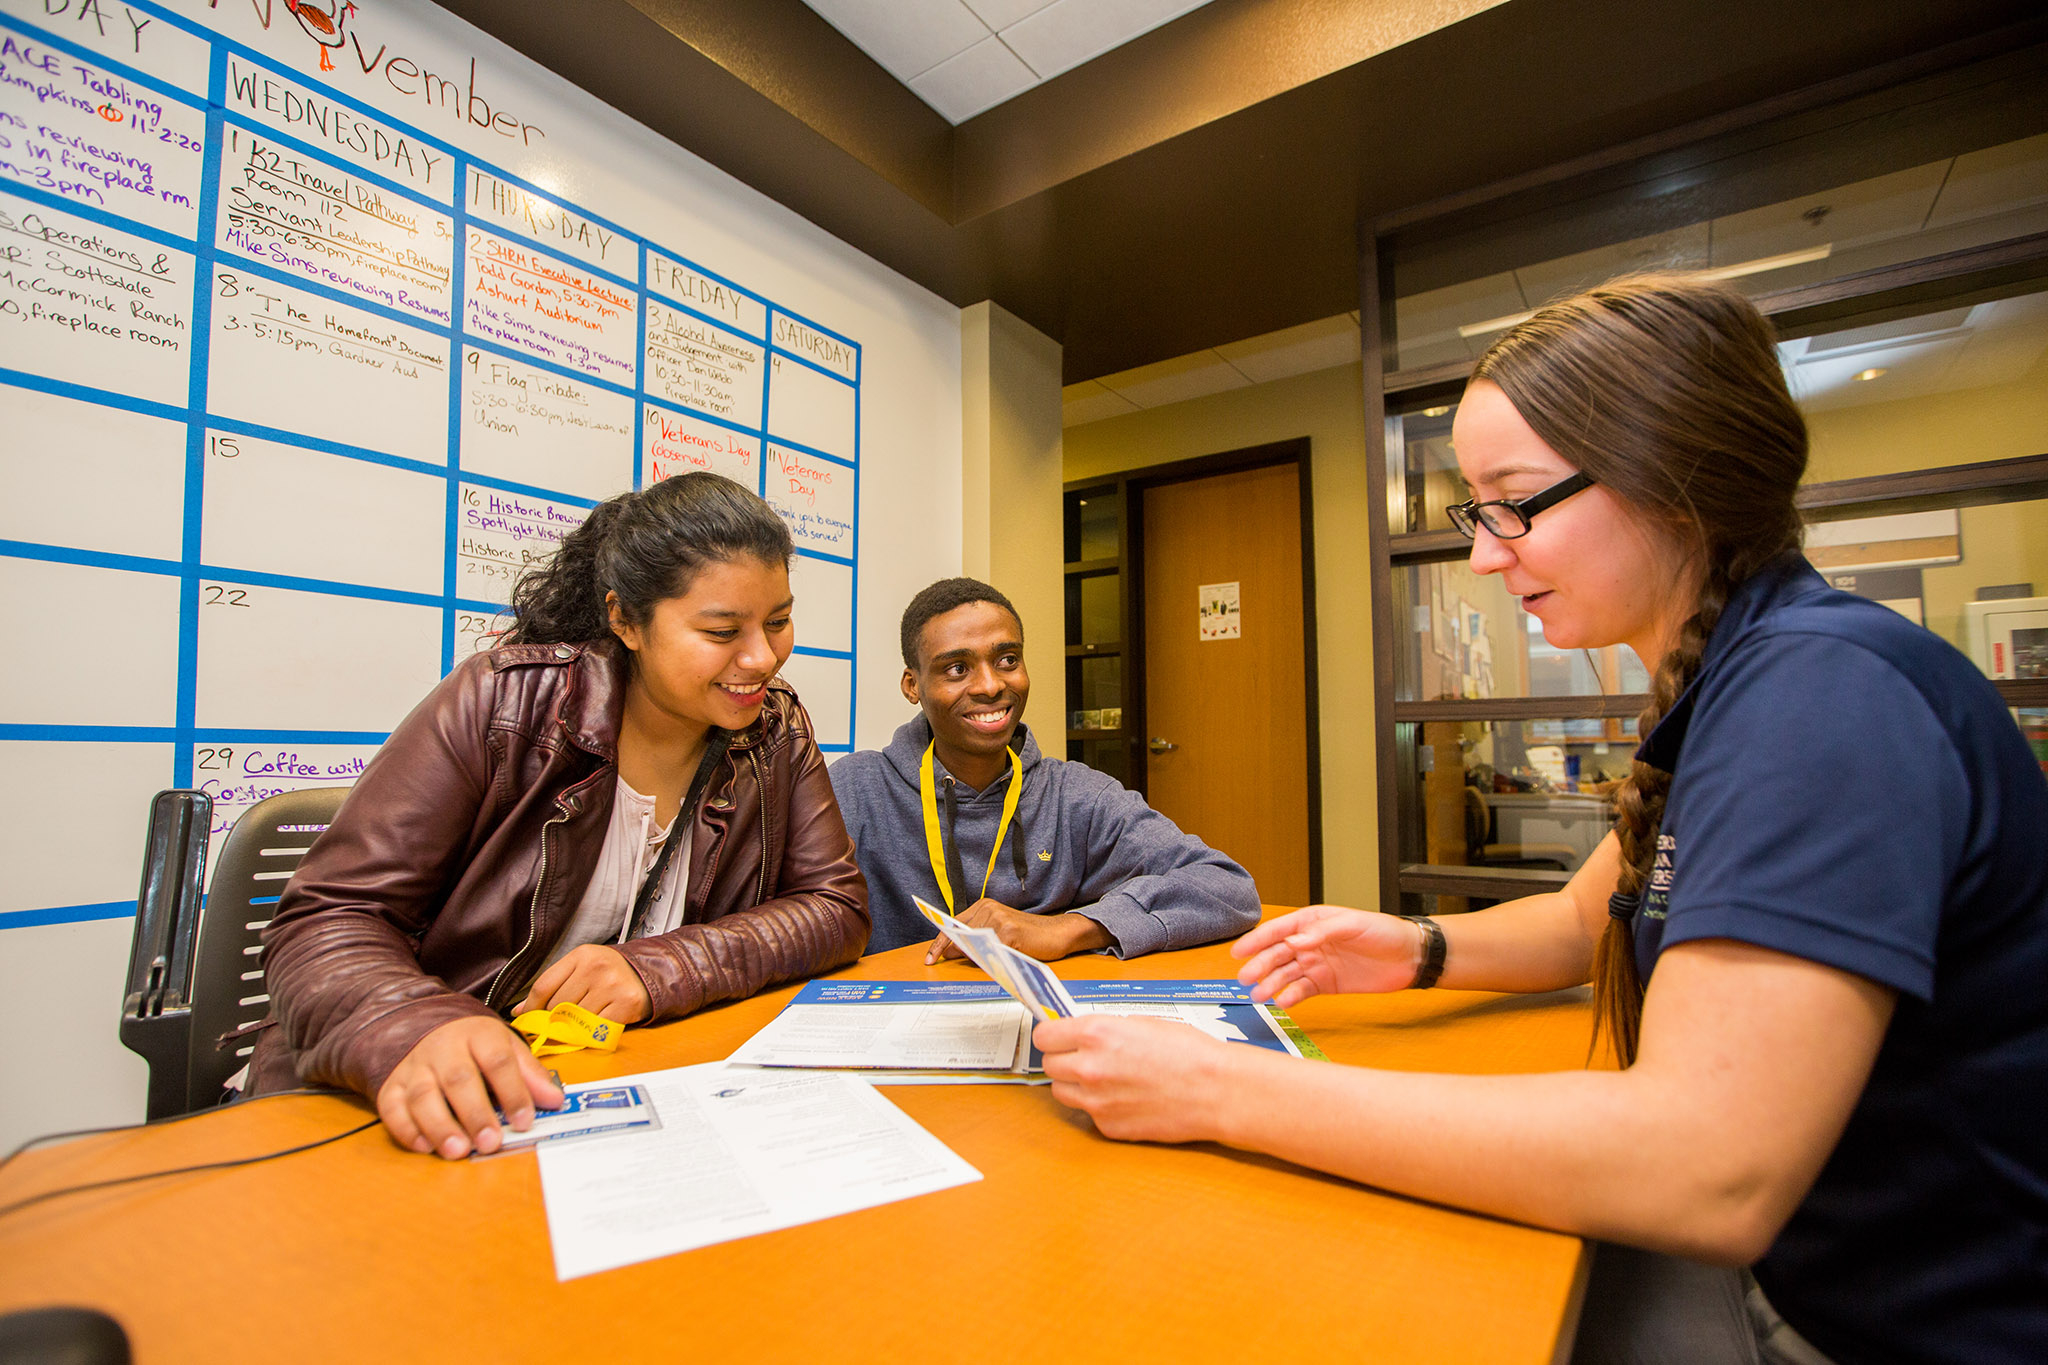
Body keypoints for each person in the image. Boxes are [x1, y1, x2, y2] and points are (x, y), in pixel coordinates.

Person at [1033, 276, 2048, 1365]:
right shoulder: (1743, 675)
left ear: (1671, 478)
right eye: (1476, 512)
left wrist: (1221, 1090)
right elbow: (1583, 922)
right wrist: (1417, 947)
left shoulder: (1819, 696)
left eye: (1512, 504)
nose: (1482, 552)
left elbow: (1707, 1166)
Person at [251, 472, 869, 1158]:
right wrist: (415, 1024)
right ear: (625, 619)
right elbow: (328, 917)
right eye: (722, 629)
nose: (762, 658)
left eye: (778, 621)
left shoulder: (774, 731)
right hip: (432, 1108)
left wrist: (659, 969)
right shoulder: (503, 705)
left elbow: (834, 905)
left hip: (621, 1093)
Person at [829, 577, 1261, 961]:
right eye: (957, 668)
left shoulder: (1077, 797)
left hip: (1041, 1025)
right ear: (912, 685)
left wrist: (1067, 929)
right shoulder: (853, 790)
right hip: (899, 1023)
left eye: (1007, 660)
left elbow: (1228, 887)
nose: (991, 685)